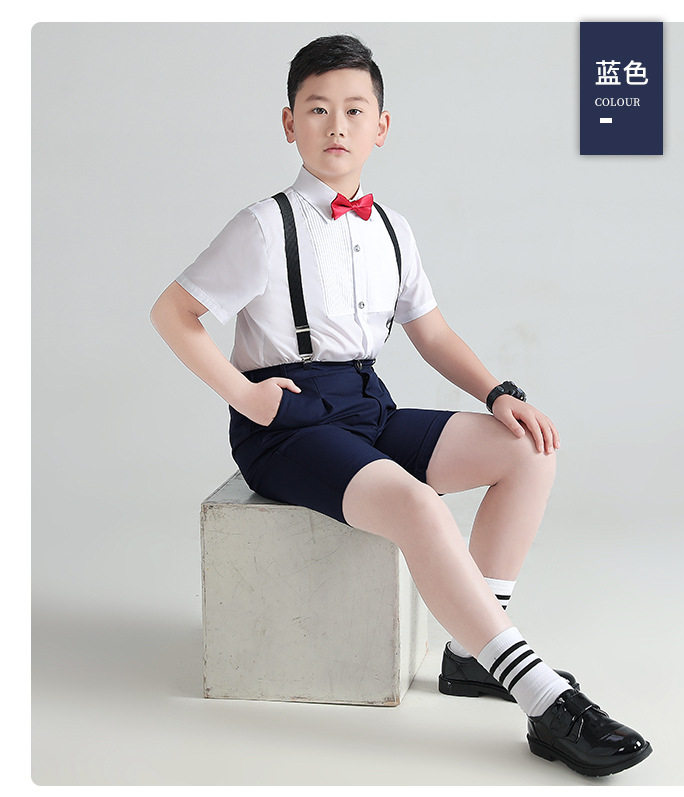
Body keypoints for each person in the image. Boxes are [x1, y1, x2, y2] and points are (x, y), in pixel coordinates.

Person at [150, 34, 652, 778]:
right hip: (287, 426)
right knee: (419, 506)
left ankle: (471, 656)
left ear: (381, 126)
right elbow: (173, 312)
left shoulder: (392, 228)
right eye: (317, 109)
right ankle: (543, 697)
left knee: (527, 449)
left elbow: (433, 333)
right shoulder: (262, 226)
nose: (337, 126)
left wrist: (498, 394)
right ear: (289, 123)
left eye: (355, 110)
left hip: (366, 407)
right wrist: (244, 395)